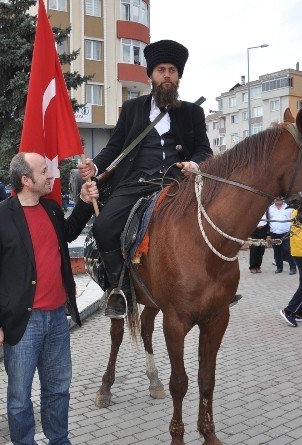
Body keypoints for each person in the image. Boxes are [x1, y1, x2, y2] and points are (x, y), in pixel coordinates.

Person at [78, 39, 212, 317]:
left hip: (177, 184)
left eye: (172, 70)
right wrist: (94, 165)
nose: (166, 75)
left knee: (216, 221)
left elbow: (204, 149)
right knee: (103, 227)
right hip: (136, 183)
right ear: (150, 75)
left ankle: (215, 285)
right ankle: (119, 289)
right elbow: (115, 147)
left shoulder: (192, 112)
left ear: (178, 76)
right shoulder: (133, 109)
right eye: (161, 69)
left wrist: (194, 163)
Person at [0, 152, 98, 445]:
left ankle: (59, 440)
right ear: (26, 180)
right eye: (44, 171)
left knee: (58, 389)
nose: (51, 176)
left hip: (57, 317)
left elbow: (68, 233)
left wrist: (83, 201)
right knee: (19, 397)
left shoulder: (53, 209)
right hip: (23, 321)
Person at [267, 196, 297, 274]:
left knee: (287, 250)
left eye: (279, 198)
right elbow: (268, 221)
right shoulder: (270, 208)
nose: (277, 200)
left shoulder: (289, 207)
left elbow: (294, 219)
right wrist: (268, 234)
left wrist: (292, 229)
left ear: (282, 199)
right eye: (276, 198)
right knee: (277, 251)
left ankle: (293, 268)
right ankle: (279, 268)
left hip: (286, 232)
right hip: (274, 232)